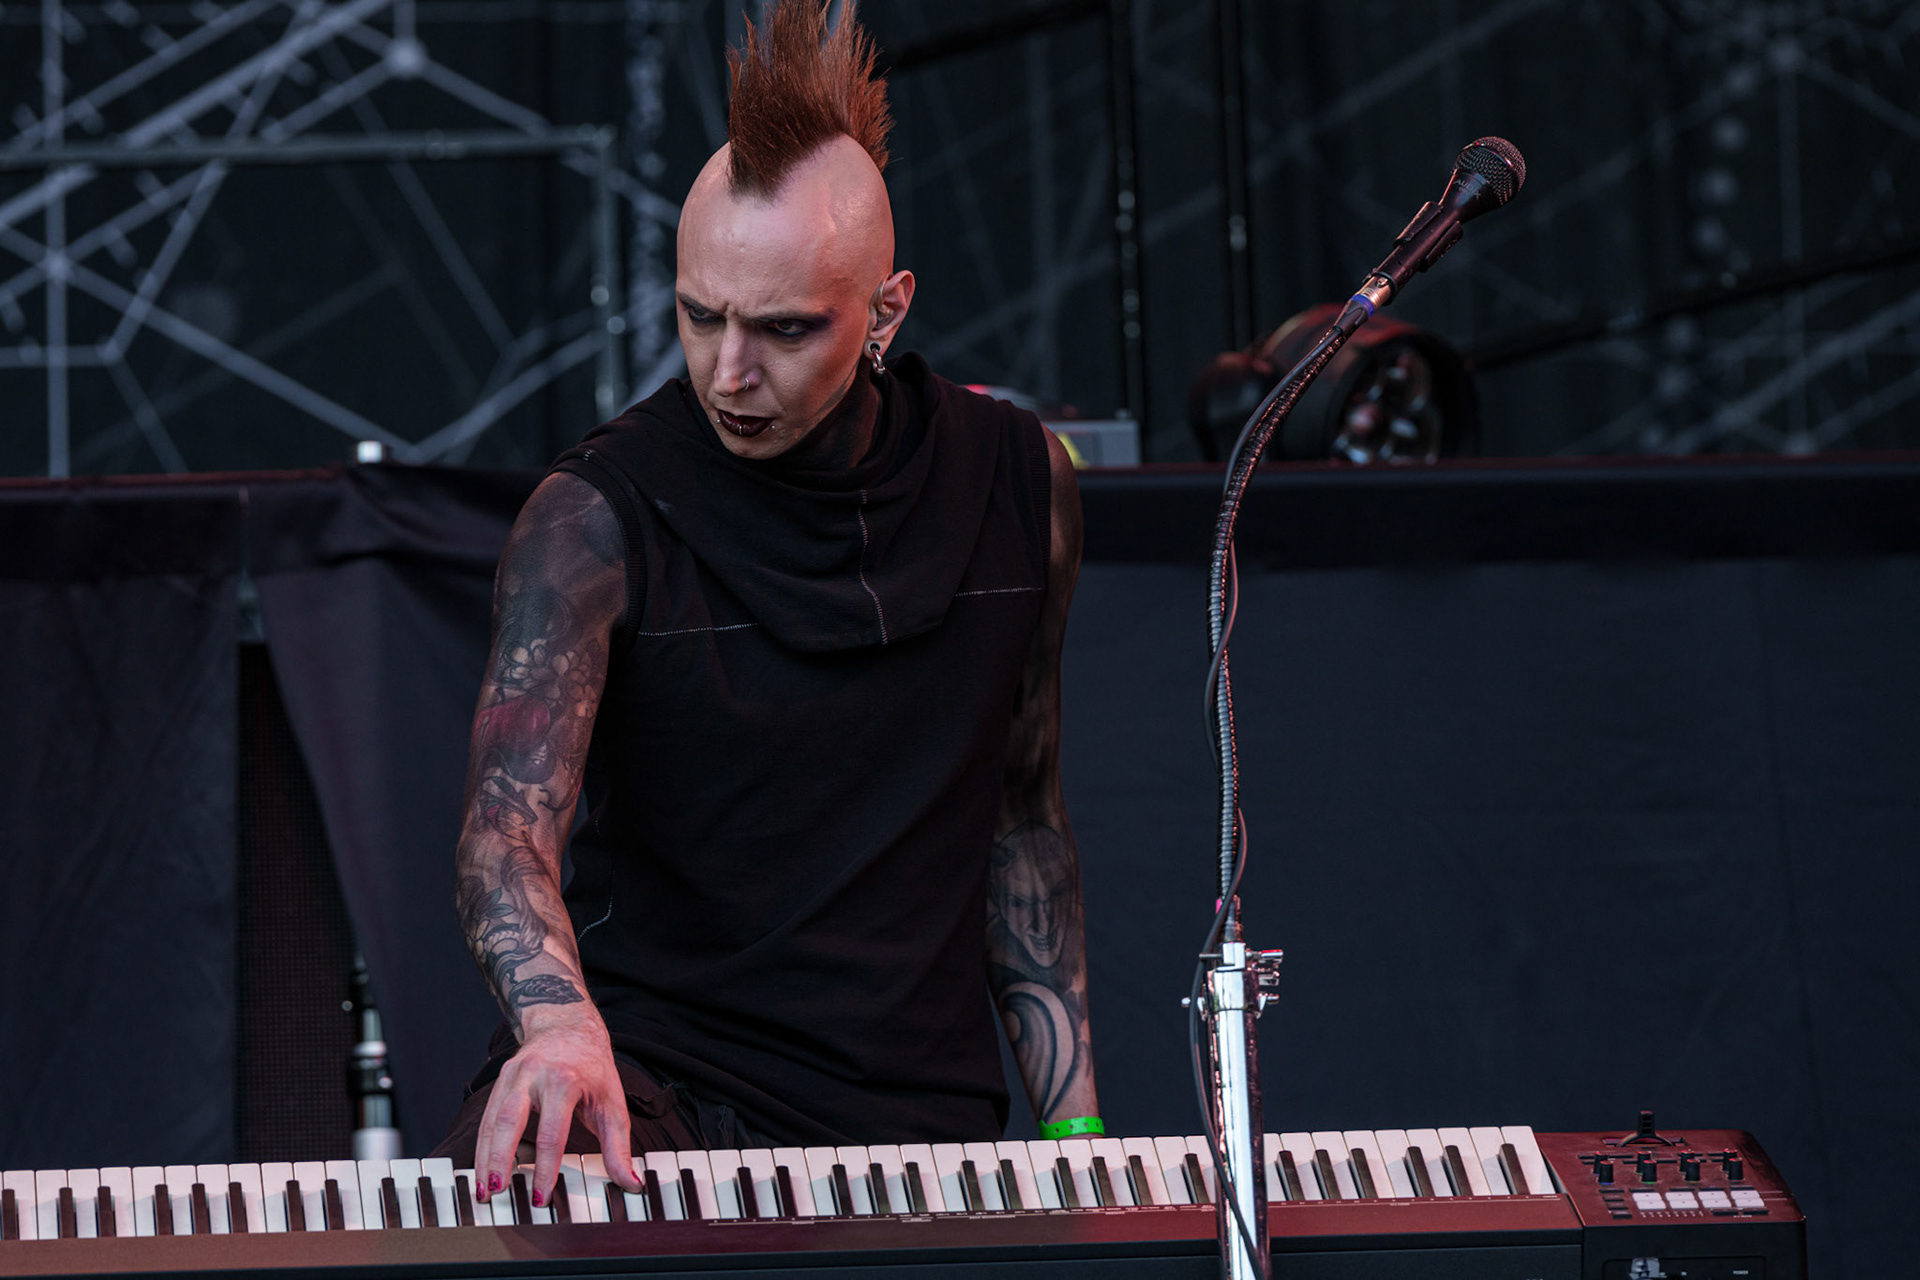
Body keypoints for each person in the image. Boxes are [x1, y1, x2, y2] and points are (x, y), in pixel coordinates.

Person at [436, 0, 1099, 1211]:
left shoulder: (1019, 484)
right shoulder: (594, 519)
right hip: (653, 1092)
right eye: (702, 315)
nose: (729, 372)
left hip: (919, 1128)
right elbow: (504, 833)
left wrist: (1078, 1128)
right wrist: (560, 1025)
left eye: (784, 329)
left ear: (888, 309)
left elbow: (1024, 823)